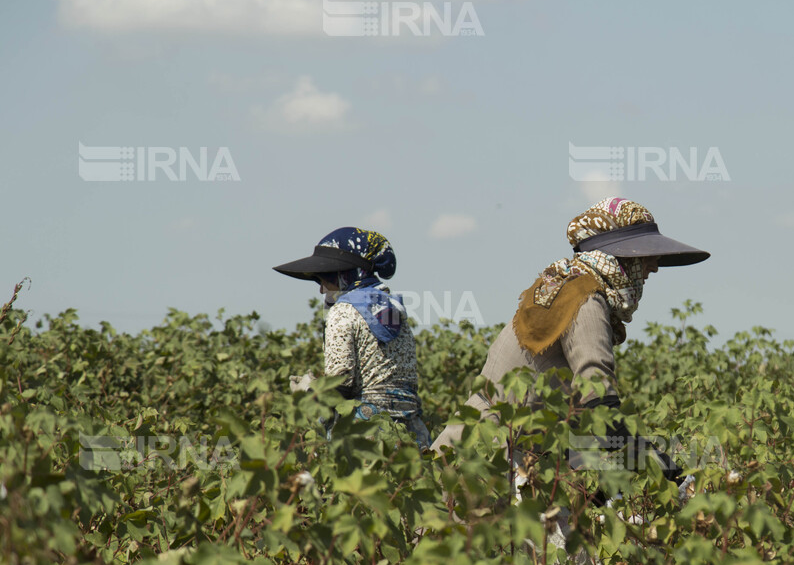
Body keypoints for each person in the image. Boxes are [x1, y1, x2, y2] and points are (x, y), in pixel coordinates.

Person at [431, 197, 709, 492]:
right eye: (648, 257)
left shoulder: (566, 285)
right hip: (492, 458)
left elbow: (572, 416)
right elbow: (599, 406)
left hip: (481, 445)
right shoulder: (586, 299)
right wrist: (669, 473)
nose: (654, 267)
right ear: (624, 258)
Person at [273, 227, 433, 452]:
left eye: (324, 280)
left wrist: (308, 393)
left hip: (367, 436)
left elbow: (340, 385)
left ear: (343, 275)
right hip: (411, 435)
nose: (321, 290)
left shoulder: (343, 311)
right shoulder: (392, 308)